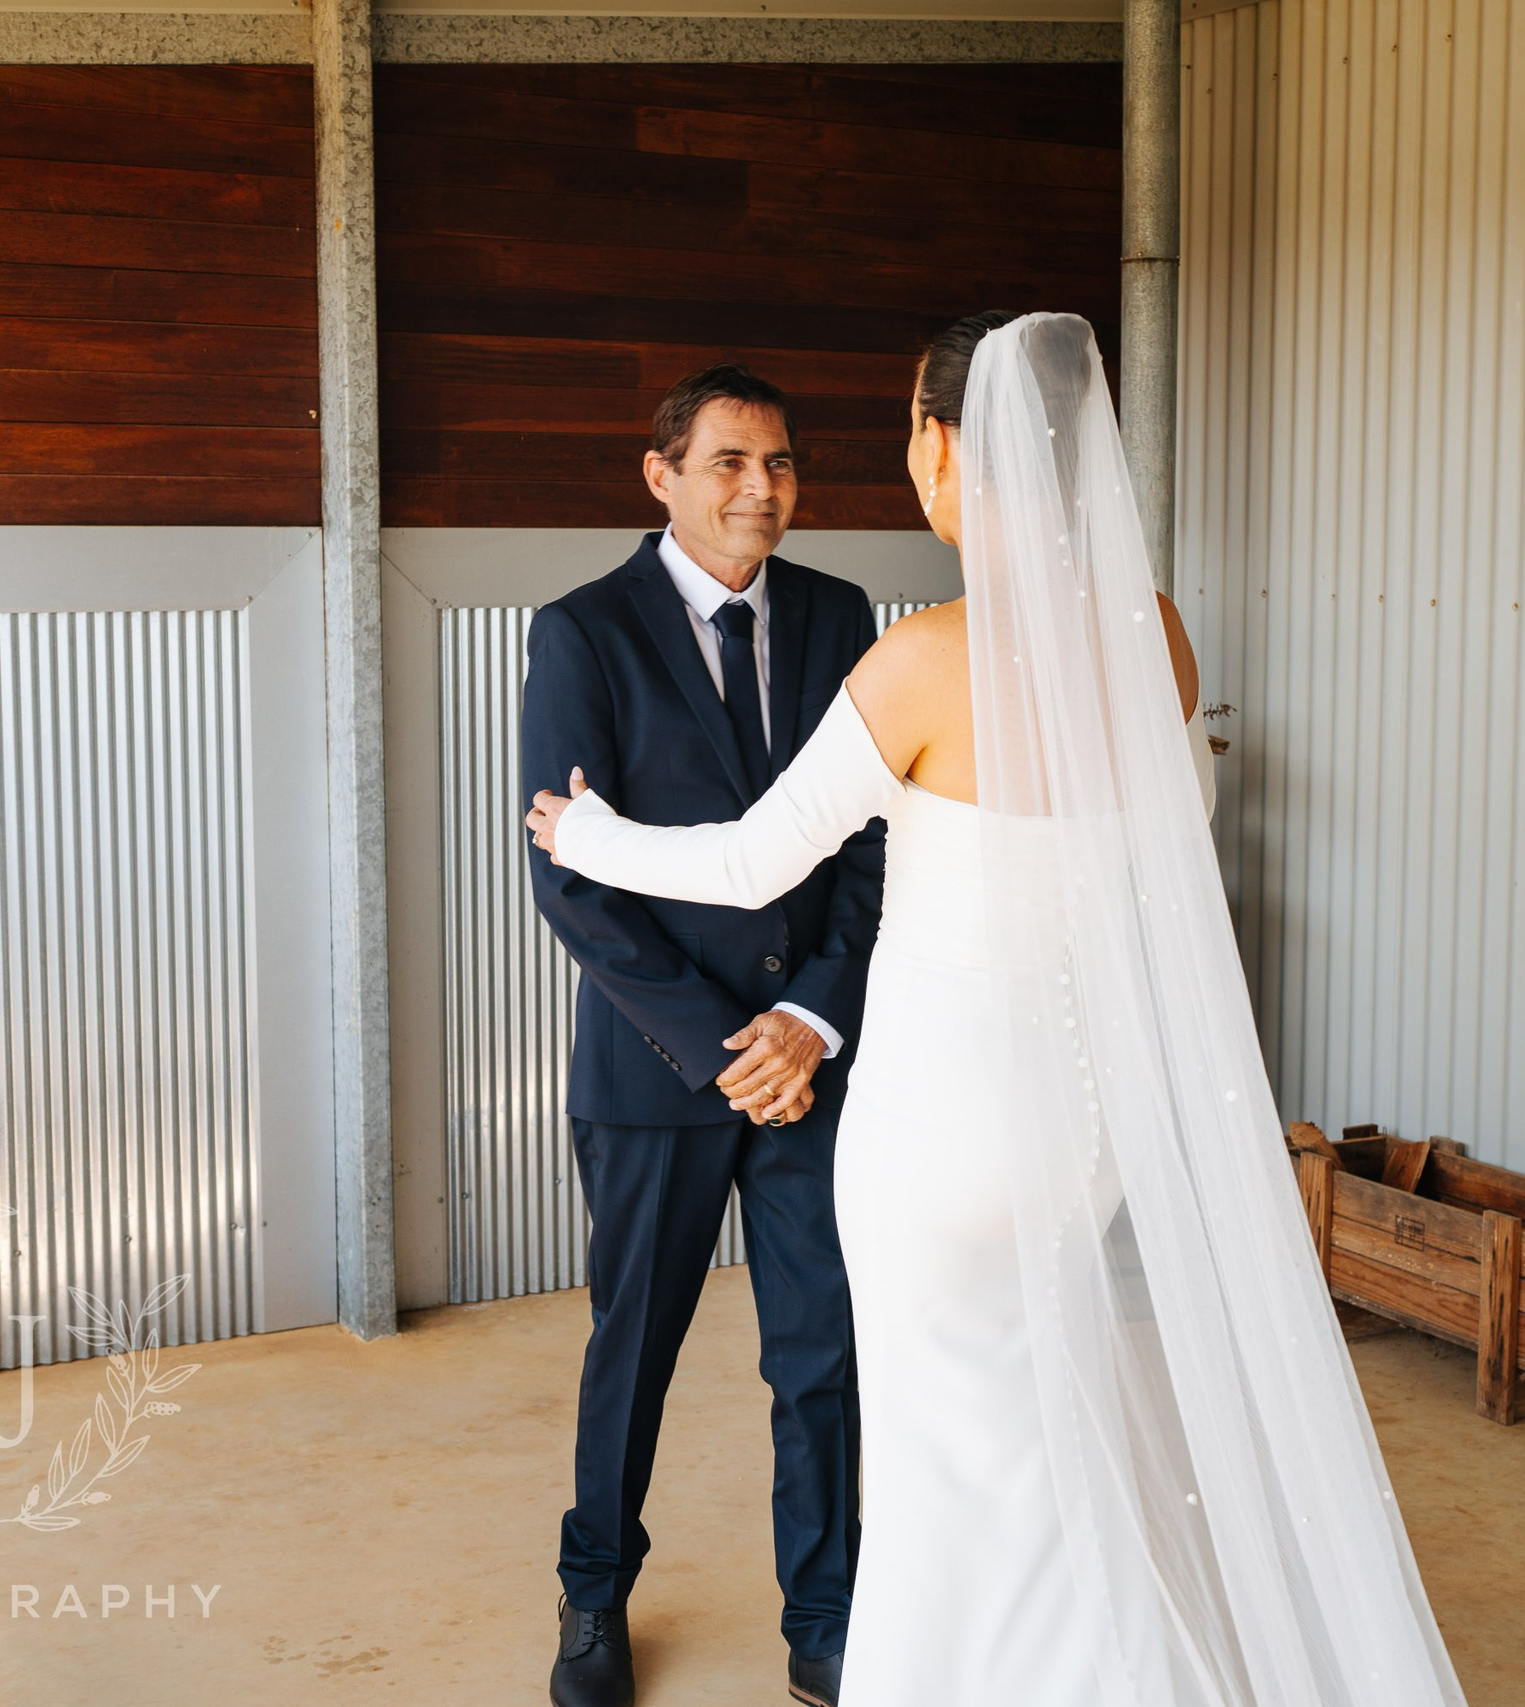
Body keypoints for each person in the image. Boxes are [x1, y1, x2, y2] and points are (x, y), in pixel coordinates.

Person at [529, 311, 1466, 1706]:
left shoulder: (914, 651)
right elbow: (1164, 848)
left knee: (921, 1429)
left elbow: (753, 859)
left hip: (931, 1119)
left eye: (905, 424)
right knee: (1031, 1412)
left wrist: (582, 837)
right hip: (1067, 1110)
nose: (777, 482)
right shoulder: (1157, 633)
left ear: (946, 447)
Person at [521, 363, 881, 1707]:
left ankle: (829, 1620)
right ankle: (593, 1597)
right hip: (659, 1070)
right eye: (731, 460)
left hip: (813, 1068)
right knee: (636, 1349)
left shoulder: (847, 620)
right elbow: (572, 878)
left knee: (825, 1349)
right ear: (661, 473)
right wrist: (725, 1040)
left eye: (781, 463)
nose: (762, 489)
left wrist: (809, 1018)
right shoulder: (583, 633)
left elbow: (872, 847)